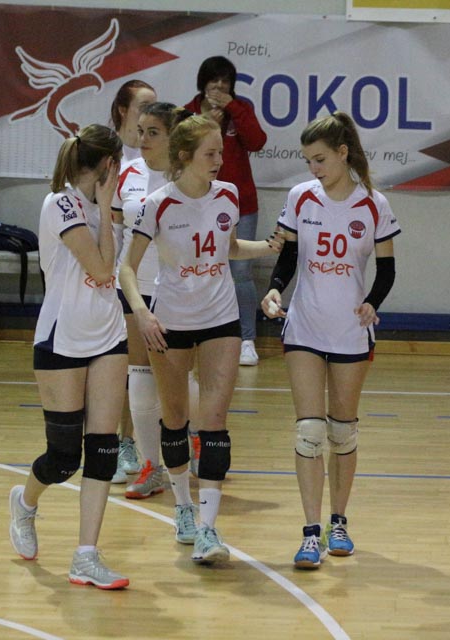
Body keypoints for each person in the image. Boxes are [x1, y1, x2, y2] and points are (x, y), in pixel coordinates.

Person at [119, 113, 280, 564]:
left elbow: (229, 248)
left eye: (220, 152)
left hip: (220, 318)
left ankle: (209, 528)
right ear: (186, 156)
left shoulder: (227, 195)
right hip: (171, 320)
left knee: (213, 421)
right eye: (210, 153)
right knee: (174, 419)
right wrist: (142, 313)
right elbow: (127, 268)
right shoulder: (158, 205)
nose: (219, 160)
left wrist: (270, 247)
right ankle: (184, 509)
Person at [261, 112, 400, 569]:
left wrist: (372, 302)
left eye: (320, 159)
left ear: (343, 153)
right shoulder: (301, 197)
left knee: (342, 431)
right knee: (309, 431)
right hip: (304, 325)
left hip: (350, 331)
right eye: (308, 160)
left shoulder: (374, 204)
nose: (313, 168)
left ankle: (339, 522)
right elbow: (288, 255)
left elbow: (387, 269)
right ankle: (310, 531)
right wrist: (275, 289)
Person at [8, 124, 129, 589]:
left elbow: (110, 274)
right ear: (108, 166)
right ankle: (25, 503)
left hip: (108, 336)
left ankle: (86, 556)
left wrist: (108, 212)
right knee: (63, 459)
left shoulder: (103, 210)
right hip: (62, 339)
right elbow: (101, 267)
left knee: (103, 449)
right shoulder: (59, 203)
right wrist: (106, 208)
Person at [185, 56, 267, 367]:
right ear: (202, 83)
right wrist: (207, 124)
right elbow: (179, 155)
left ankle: (247, 339)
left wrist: (233, 108)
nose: (219, 87)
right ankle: (197, 333)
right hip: (196, 205)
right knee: (197, 269)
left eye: (225, 82)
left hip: (240, 204)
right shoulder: (188, 112)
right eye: (213, 81)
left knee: (240, 272)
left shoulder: (240, 108)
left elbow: (257, 142)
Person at [113, 101, 178, 500]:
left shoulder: (188, 175)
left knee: (178, 379)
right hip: (135, 287)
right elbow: (116, 230)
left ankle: (191, 438)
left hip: (179, 289)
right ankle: (149, 464)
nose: (143, 139)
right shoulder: (128, 173)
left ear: (173, 136)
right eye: (140, 131)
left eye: (153, 132)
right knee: (138, 374)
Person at [108, 80, 155, 483]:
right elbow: (109, 226)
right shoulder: (111, 157)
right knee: (122, 366)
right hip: (121, 279)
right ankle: (122, 442)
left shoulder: (162, 158)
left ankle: (172, 442)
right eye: (142, 106)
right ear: (123, 110)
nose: (149, 113)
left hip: (164, 282)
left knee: (162, 369)